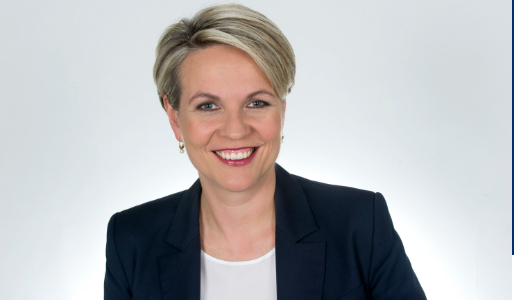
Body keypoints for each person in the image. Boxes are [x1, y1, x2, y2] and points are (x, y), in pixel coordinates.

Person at [104, 3, 426, 300]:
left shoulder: (360, 225)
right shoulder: (131, 241)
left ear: (282, 110)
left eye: (256, 103)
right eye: (208, 106)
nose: (235, 129)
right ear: (175, 118)